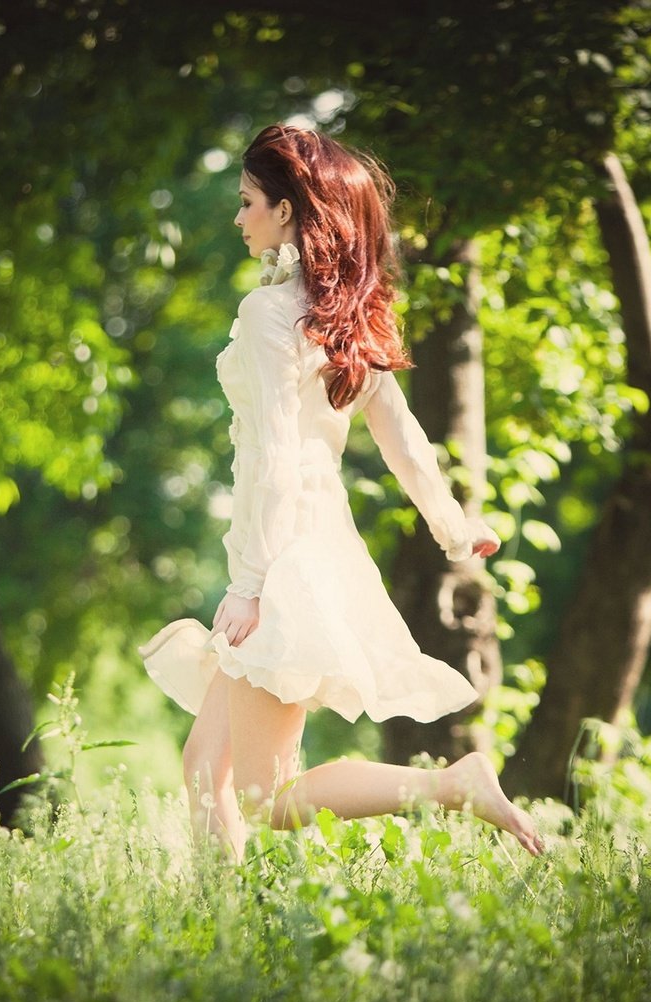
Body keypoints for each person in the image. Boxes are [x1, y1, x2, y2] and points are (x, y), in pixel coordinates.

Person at [139, 124, 543, 860]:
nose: (238, 218)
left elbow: (280, 460)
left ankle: (453, 784)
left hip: (284, 557)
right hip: (314, 546)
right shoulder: (343, 321)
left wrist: (251, 586)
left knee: (269, 798)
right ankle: (217, 932)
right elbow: (405, 443)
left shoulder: (268, 315)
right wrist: (456, 531)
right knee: (204, 768)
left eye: (247, 201)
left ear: (287, 211)